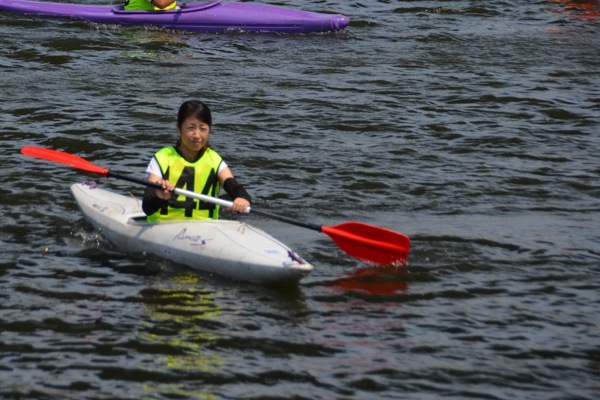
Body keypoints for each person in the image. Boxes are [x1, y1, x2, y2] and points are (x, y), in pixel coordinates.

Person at [142, 100, 251, 221]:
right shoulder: (161, 158)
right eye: (191, 128)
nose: (197, 135)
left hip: (205, 230)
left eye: (203, 128)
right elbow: (147, 207)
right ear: (178, 128)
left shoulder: (215, 160)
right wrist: (159, 198)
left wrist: (242, 199)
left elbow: (236, 189)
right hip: (163, 228)